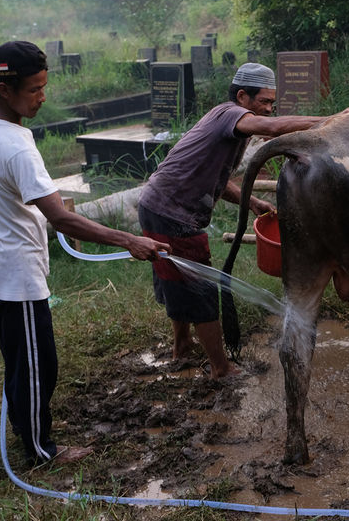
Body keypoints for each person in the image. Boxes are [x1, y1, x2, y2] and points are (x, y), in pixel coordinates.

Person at [0, 41, 170, 466]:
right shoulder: (17, 145)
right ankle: (39, 450)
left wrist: (2, 207)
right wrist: (131, 241)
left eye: (44, 86)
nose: (43, 96)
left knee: (21, 358)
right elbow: (64, 221)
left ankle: (25, 423)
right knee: (37, 366)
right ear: (4, 89)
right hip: (15, 274)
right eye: (34, 89)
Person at [137, 63, 337, 379]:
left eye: (273, 104)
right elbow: (272, 129)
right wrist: (335, 121)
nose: (269, 110)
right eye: (264, 102)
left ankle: (182, 345)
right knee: (199, 289)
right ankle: (221, 369)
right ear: (242, 96)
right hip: (170, 212)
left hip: (158, 206)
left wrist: (253, 201)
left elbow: (215, 178)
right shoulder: (229, 114)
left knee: (175, 278)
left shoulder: (230, 126)